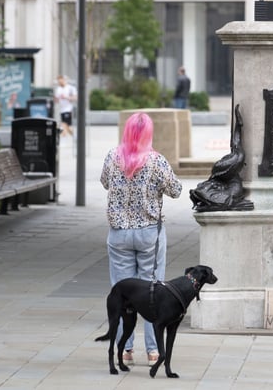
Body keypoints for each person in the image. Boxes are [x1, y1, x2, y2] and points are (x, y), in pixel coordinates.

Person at [101, 112, 183, 366]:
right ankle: (153, 351)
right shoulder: (156, 161)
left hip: (119, 234)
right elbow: (176, 190)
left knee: (124, 292)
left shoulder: (112, 158)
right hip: (150, 233)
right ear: (149, 134)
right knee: (152, 291)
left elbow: (105, 183)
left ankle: (125, 350)